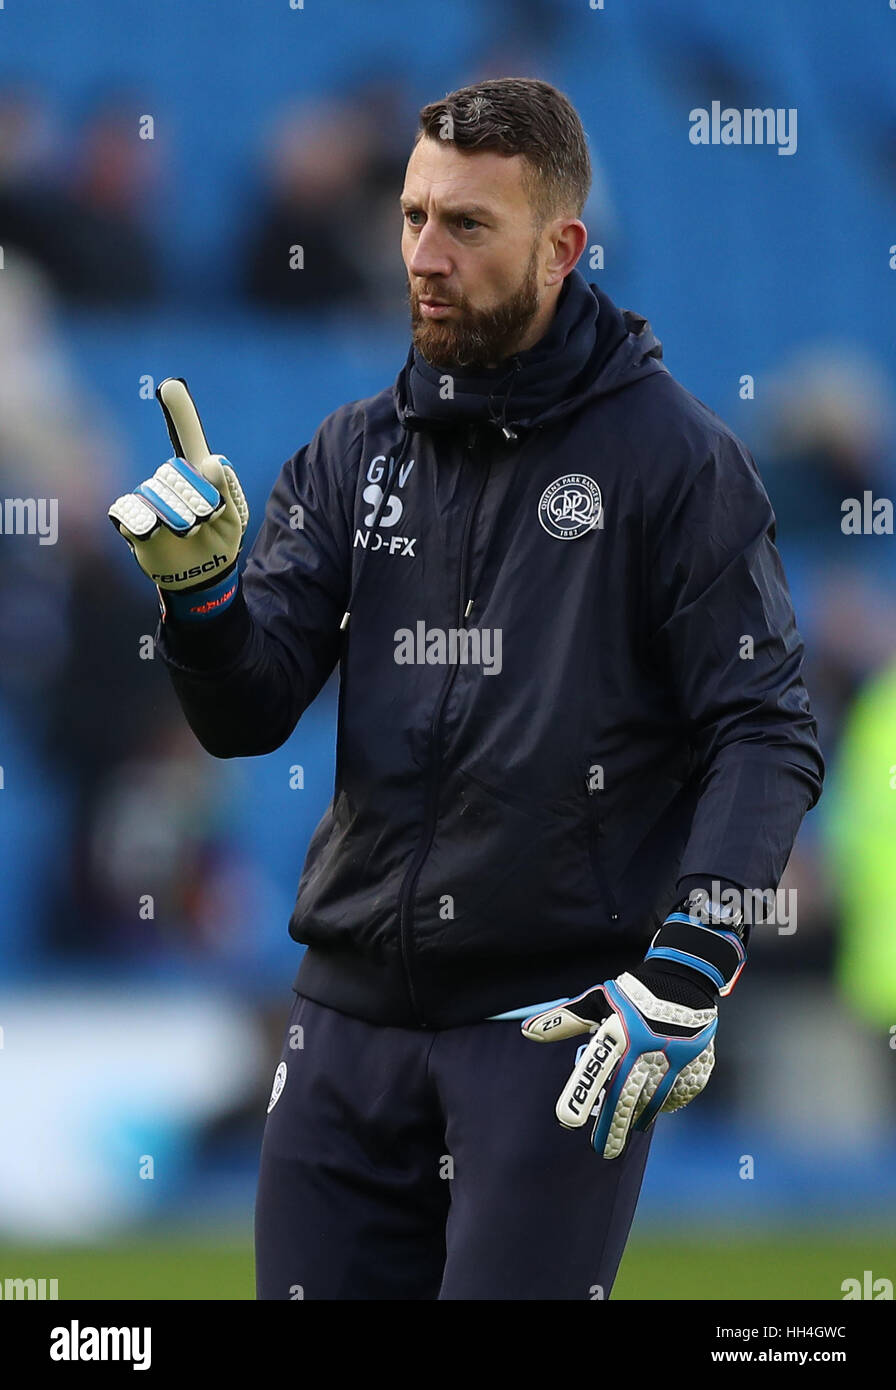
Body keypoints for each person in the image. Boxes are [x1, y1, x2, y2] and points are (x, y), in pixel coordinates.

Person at [108, 78, 824, 1300]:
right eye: (410, 217)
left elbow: (762, 726)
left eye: (465, 227)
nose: (422, 258)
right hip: (342, 1028)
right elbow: (249, 713)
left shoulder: (676, 463)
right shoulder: (352, 451)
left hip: (550, 1034)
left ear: (562, 248)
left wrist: (694, 954)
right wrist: (203, 603)